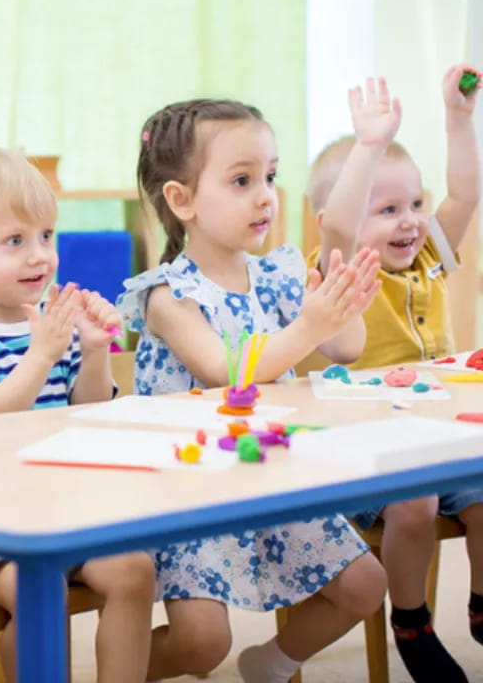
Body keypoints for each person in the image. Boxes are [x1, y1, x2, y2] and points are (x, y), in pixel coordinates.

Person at [116, 97, 387, 683]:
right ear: (181, 200)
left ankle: (271, 663)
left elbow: (345, 349)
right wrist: (309, 325)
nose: (265, 194)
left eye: (269, 176)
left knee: (366, 584)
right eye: (241, 180)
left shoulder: (277, 273)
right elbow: (226, 370)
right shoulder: (168, 296)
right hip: (191, 495)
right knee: (202, 642)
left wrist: (340, 304)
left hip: (271, 478)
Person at [0, 146, 157, 683]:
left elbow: (85, 412)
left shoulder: (52, 321)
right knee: (39, 587)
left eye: (46, 236)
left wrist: (93, 351)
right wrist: (41, 355)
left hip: (57, 505)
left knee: (136, 571)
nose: (39, 256)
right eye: (15, 241)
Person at [309, 66, 483, 683]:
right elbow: (336, 223)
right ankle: (411, 621)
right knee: (415, 502)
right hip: (363, 449)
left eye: (414, 204)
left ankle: (482, 607)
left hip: (439, 435)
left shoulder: (428, 258)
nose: (410, 220)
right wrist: (370, 145)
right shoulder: (338, 266)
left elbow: (463, 196)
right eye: (386, 209)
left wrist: (458, 120)